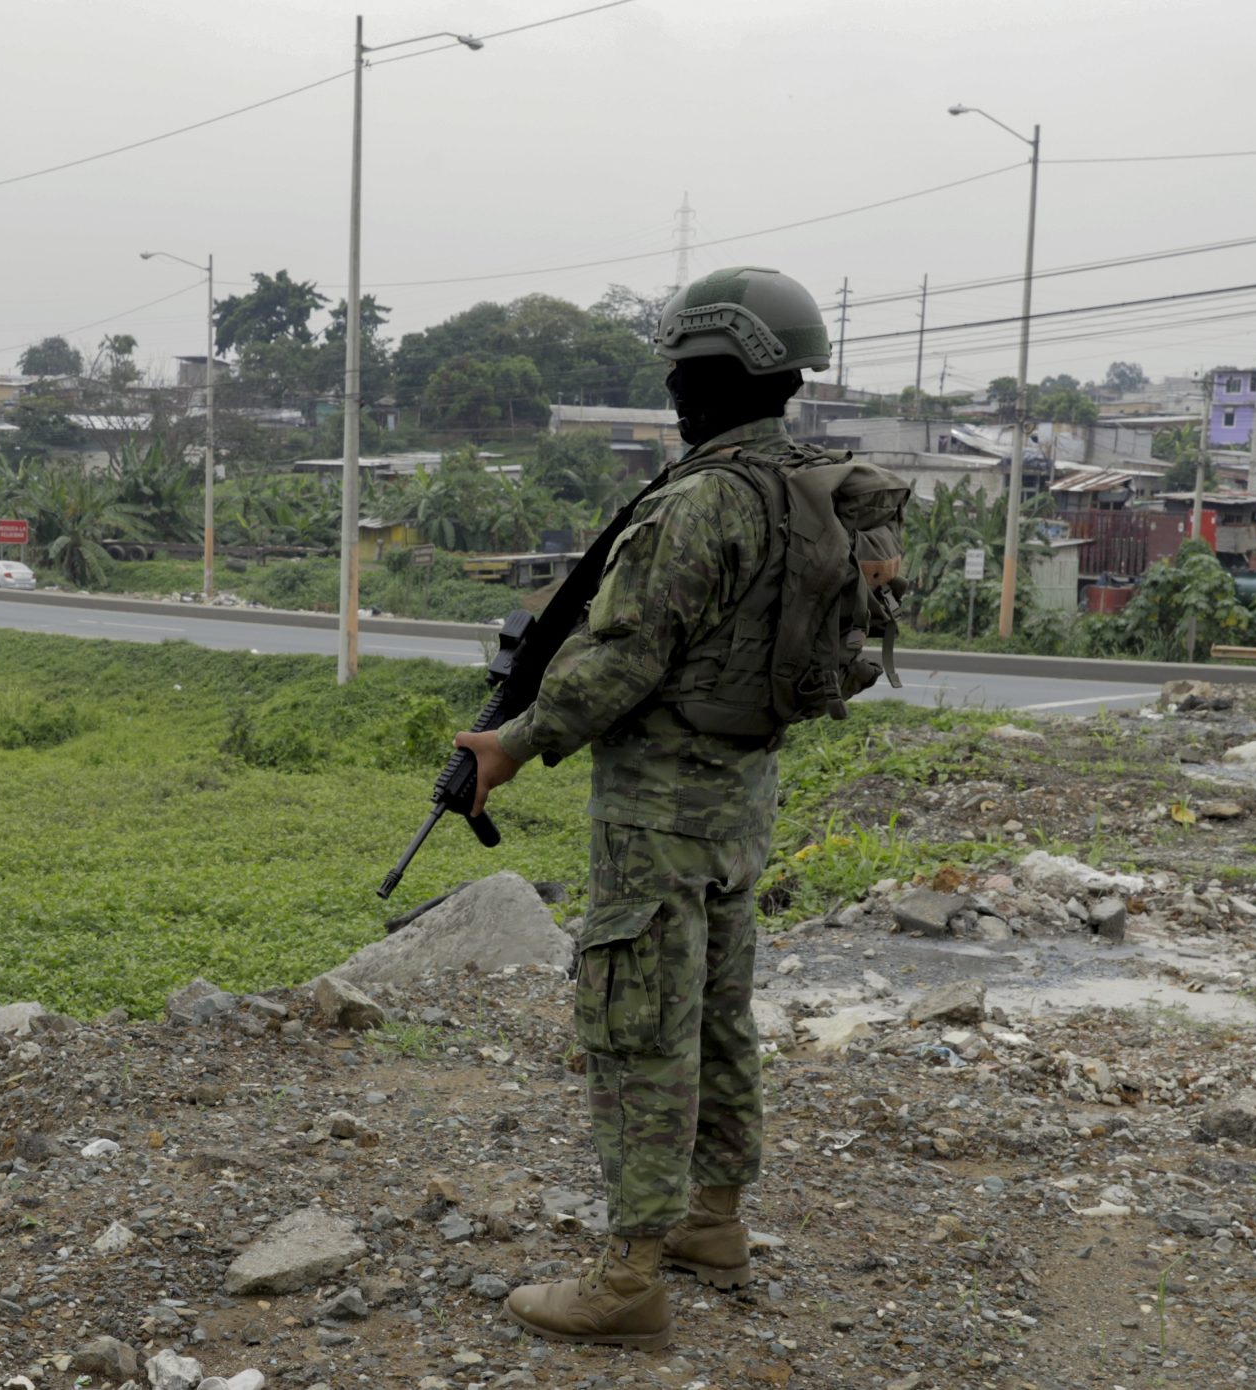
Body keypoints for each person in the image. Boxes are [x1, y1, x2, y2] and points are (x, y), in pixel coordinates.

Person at [451, 266, 902, 1352]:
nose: (672, 389)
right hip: (742, 797)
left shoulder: (701, 500)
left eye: (680, 371)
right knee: (715, 1011)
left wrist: (510, 745)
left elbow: (619, 661)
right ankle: (713, 1221)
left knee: (638, 1026)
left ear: (710, 373)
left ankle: (628, 1280)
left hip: (656, 811)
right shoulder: (808, 487)